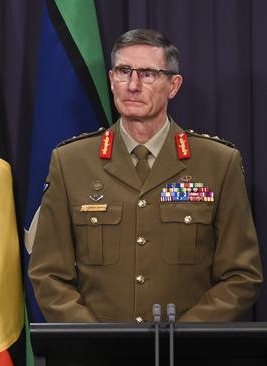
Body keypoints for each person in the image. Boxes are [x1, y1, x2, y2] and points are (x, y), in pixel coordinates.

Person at [28, 29, 262, 323]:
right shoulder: (70, 162)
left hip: (185, 354)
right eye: (124, 71)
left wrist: (182, 337)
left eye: (148, 74)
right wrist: (97, 340)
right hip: (97, 354)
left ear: (173, 85)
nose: (133, 85)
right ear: (112, 79)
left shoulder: (218, 163)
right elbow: (48, 274)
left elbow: (241, 276)